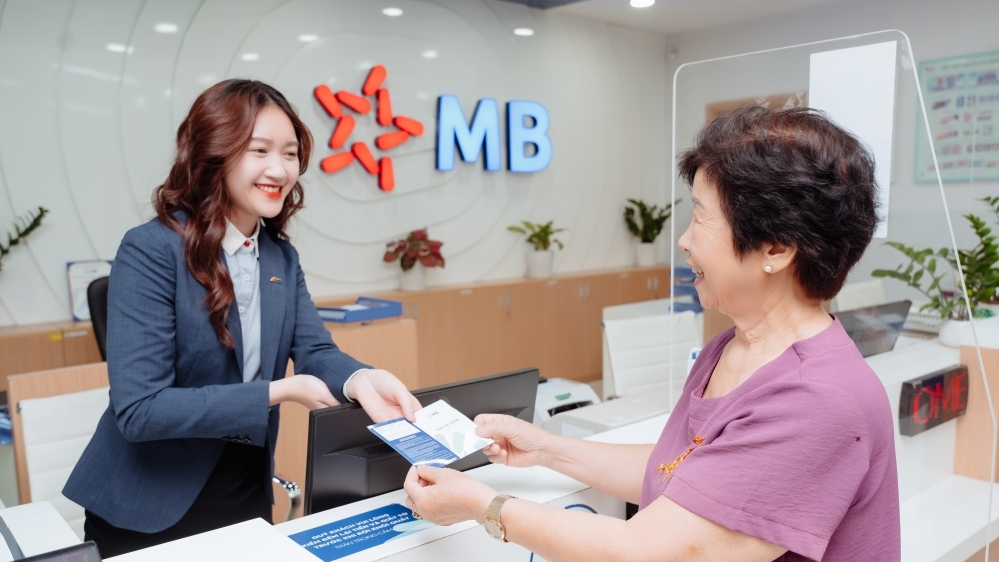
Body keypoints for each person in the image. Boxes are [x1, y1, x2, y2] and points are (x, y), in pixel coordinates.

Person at [404, 106, 900, 562]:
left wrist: (482, 506)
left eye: (701, 217)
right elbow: (683, 473)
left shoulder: (816, 399)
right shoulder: (731, 347)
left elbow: (651, 552)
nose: (683, 240)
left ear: (776, 248)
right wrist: (548, 449)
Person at [63, 79, 421, 557]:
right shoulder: (151, 248)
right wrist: (280, 390)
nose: (280, 169)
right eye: (260, 150)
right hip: (150, 503)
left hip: (245, 488)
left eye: (290, 153)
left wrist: (362, 379)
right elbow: (140, 410)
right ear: (216, 153)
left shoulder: (280, 258)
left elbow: (315, 350)